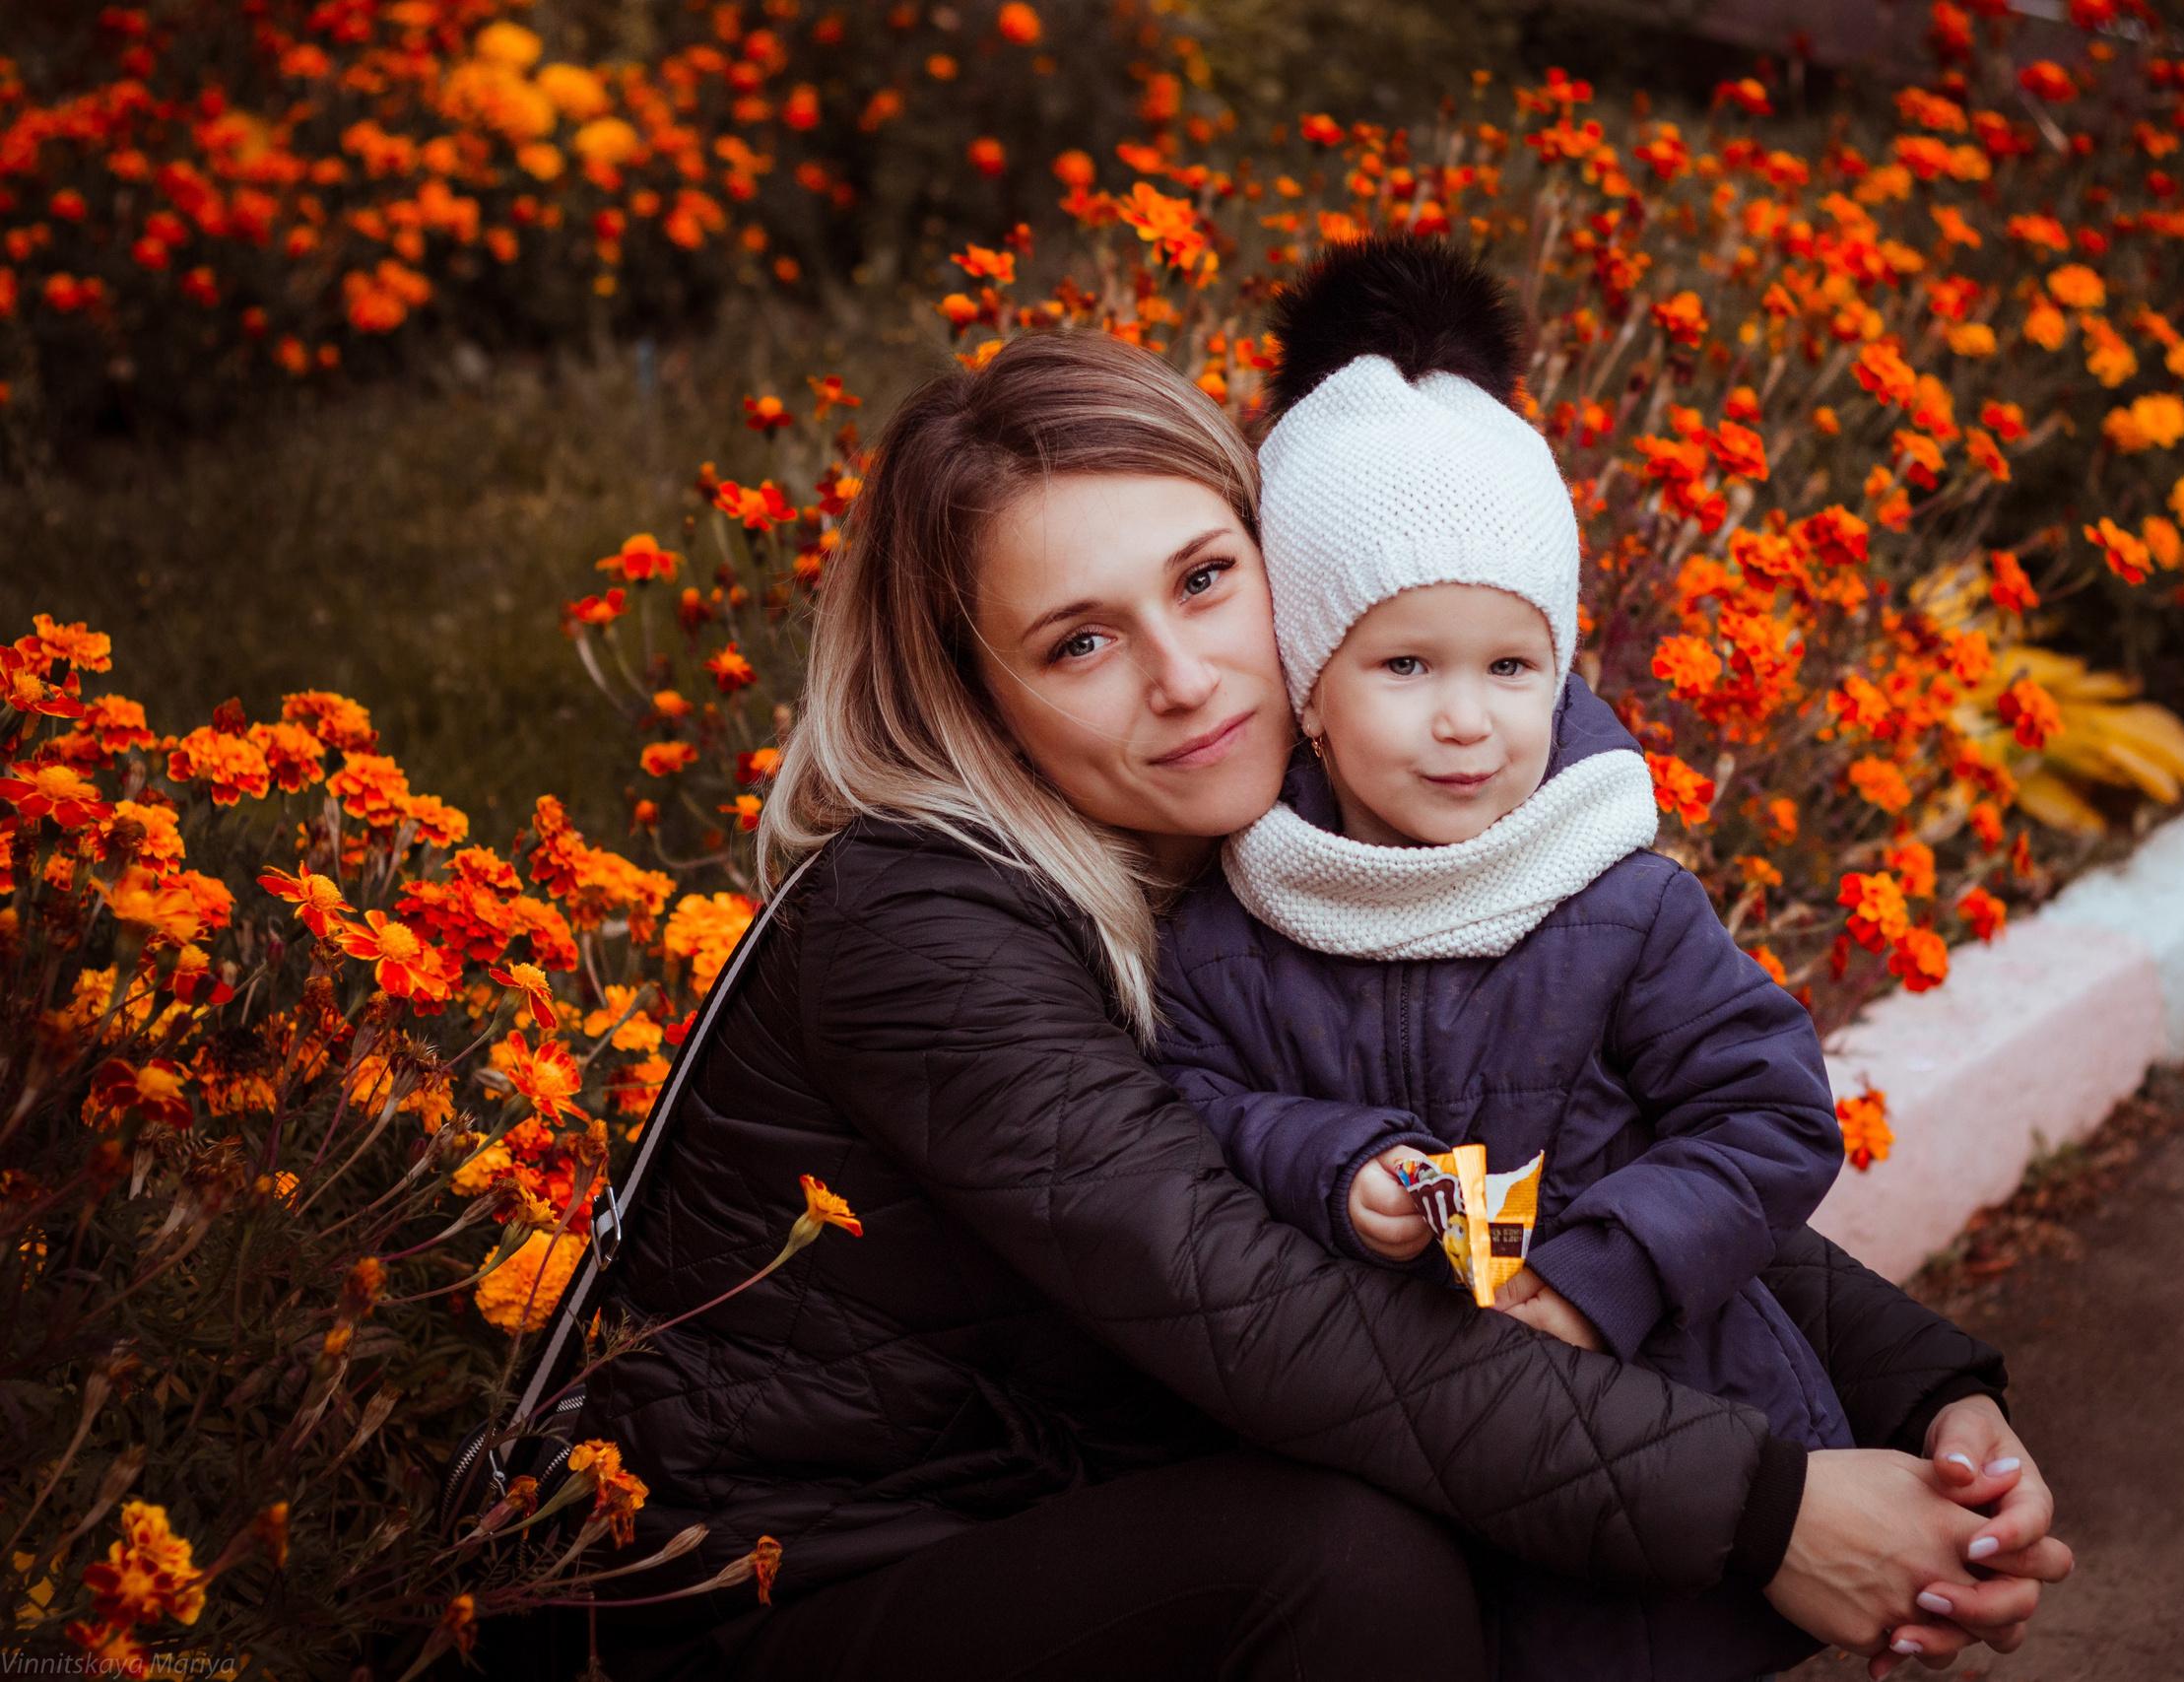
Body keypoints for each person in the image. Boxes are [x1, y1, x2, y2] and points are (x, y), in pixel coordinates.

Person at [563, 327, 2071, 1682]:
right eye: (1078, 641)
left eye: (1205, 579)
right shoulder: (920, 927)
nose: (1183, 676)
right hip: (790, 1594)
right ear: (978, 698)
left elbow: (1557, 1150)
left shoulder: (1294, 844)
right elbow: (1274, 1326)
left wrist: (1919, 1392)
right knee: (1347, 1558)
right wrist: (1770, 1511)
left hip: (1073, 1502)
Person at [1156, 236, 1849, 1680]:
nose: (1465, 720)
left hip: (1667, 1418)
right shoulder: (1235, 921)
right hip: (1422, 1470)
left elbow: (1773, 1115)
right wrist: (1335, 1163)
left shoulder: (1620, 898)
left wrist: (1601, 1276)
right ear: (1311, 694)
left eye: (1510, 665)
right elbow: (1193, 1106)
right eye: (1405, 666)